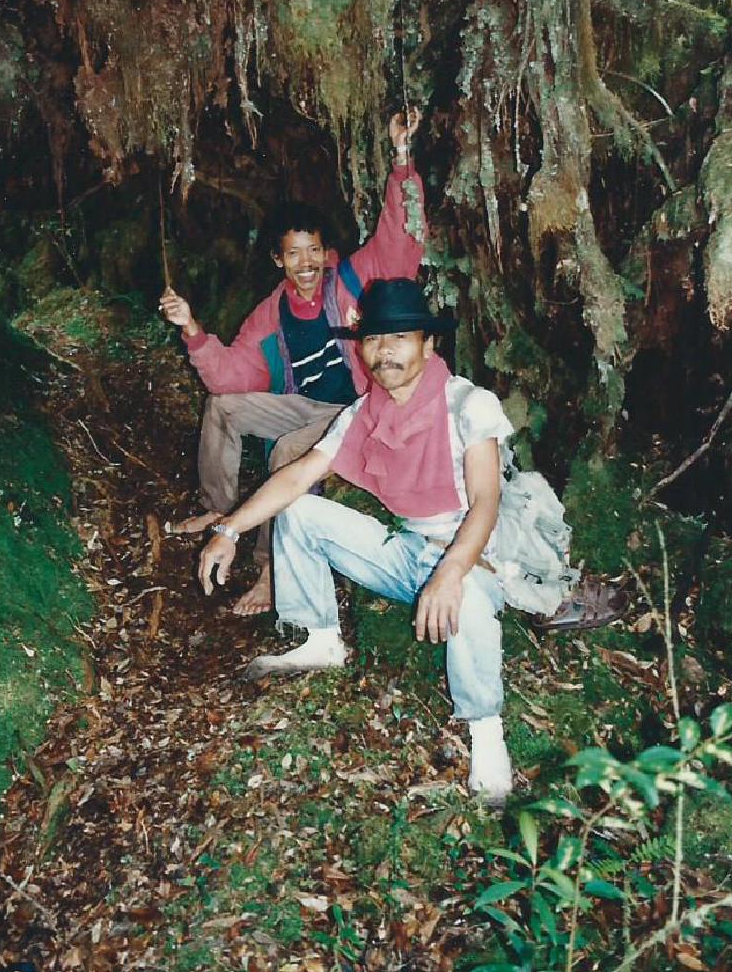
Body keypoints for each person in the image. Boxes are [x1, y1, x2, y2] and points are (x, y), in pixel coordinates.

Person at [197, 278, 626, 806]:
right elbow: (298, 474)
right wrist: (229, 529)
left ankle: (486, 731)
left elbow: (486, 501)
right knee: (301, 510)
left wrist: (450, 572)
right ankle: (321, 638)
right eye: (375, 338)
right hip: (408, 553)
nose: (385, 351)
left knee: (464, 596)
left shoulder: (468, 404)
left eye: (400, 337)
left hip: (477, 556)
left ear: (428, 343)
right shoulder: (364, 412)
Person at [160, 111, 426, 616]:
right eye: (293, 255)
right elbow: (232, 375)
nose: (306, 264)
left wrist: (401, 159)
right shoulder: (271, 313)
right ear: (278, 261)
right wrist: (192, 328)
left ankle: (270, 568)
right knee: (221, 406)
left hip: (354, 410)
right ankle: (218, 509)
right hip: (303, 405)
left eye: (314, 252)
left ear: (327, 254)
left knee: (286, 451)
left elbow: (400, 240)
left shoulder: (352, 281)